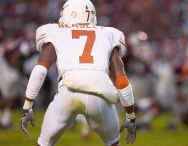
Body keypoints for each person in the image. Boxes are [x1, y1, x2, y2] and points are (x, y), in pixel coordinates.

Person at [20, 0, 136, 146]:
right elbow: (121, 78)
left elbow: (40, 70)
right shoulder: (109, 33)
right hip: (99, 94)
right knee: (113, 143)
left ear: (69, 13)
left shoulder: (55, 30)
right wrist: (130, 115)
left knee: (44, 144)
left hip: (67, 91)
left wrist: (27, 106)